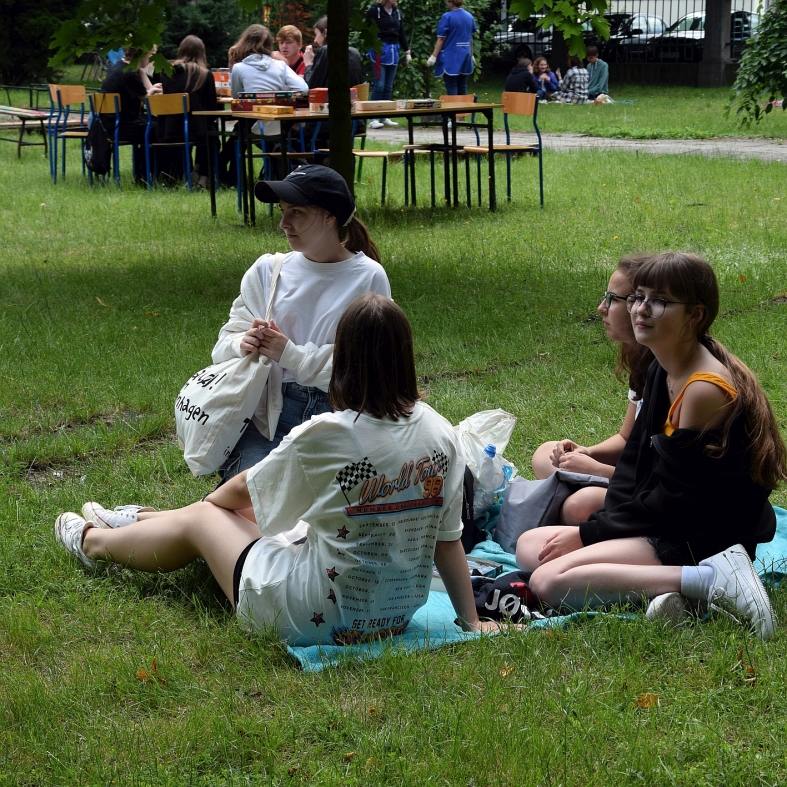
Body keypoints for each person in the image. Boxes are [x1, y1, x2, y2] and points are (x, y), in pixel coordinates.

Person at [56, 294, 505, 646]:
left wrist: (206, 507)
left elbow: (242, 492)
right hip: (389, 618)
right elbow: (447, 541)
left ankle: (94, 542)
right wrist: (471, 621)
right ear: (405, 356)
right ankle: (141, 521)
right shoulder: (442, 434)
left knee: (206, 516)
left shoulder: (330, 435)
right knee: (269, 516)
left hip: (308, 617)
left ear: (343, 358)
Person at [516, 252, 786, 639]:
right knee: (530, 546)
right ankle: (681, 593)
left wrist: (589, 535)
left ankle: (713, 580)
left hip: (702, 539)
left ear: (695, 314)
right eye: (638, 297)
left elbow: (673, 500)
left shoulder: (703, 390)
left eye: (658, 301)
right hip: (667, 523)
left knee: (547, 581)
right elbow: (634, 468)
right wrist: (603, 527)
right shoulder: (662, 366)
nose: (641, 309)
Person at [220, 165, 391, 481]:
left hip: (340, 417)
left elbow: (368, 367)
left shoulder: (368, 277)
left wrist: (291, 355)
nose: (283, 223)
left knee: (339, 503)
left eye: (296, 212)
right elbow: (224, 344)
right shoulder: (267, 270)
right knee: (246, 499)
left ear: (330, 217)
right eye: (283, 211)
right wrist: (241, 344)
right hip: (266, 418)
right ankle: (139, 514)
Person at [530, 256, 653, 526]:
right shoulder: (643, 363)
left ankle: (568, 509)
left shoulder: (672, 374)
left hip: (649, 491)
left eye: (612, 299)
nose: (601, 308)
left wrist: (598, 470)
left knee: (579, 506)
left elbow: (662, 480)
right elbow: (626, 438)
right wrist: (587, 452)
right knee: (544, 453)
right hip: (630, 476)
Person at [228, 24, 308, 138]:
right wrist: (282, 93)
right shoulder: (280, 65)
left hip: (253, 123)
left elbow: (236, 96)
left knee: (238, 131)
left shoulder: (239, 68)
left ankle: (226, 150)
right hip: (279, 124)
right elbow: (303, 89)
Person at [159, 35, 218, 190]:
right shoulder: (204, 74)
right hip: (194, 129)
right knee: (212, 136)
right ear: (201, 53)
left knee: (206, 131)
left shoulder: (167, 71)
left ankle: (192, 171)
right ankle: (202, 179)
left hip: (168, 128)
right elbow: (212, 107)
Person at [99, 46, 163, 181]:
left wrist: (141, 71)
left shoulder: (119, 67)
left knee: (157, 125)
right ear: (142, 54)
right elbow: (149, 103)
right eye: (151, 55)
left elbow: (134, 100)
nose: (151, 59)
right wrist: (151, 92)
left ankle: (145, 174)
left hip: (110, 124)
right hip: (122, 127)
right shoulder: (130, 74)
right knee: (162, 129)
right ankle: (146, 175)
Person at [365, 0, 411, 129]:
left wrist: (407, 51)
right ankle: (372, 118)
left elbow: (401, 33)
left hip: (393, 50)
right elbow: (367, 29)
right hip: (380, 50)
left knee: (388, 86)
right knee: (379, 85)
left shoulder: (397, 12)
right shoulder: (375, 10)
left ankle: (384, 116)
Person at [426, 0, 476, 96]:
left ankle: (453, 106)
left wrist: (433, 56)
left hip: (451, 57)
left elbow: (441, 39)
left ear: (450, 2)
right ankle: (464, 106)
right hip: (466, 56)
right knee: (462, 86)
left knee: (451, 86)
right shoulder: (469, 16)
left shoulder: (447, 17)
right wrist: (471, 54)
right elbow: (470, 38)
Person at [303, 16, 364, 90]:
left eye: (316, 34)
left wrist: (309, 64)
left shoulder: (325, 50)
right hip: (353, 97)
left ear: (325, 32)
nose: (315, 40)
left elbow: (311, 85)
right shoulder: (355, 53)